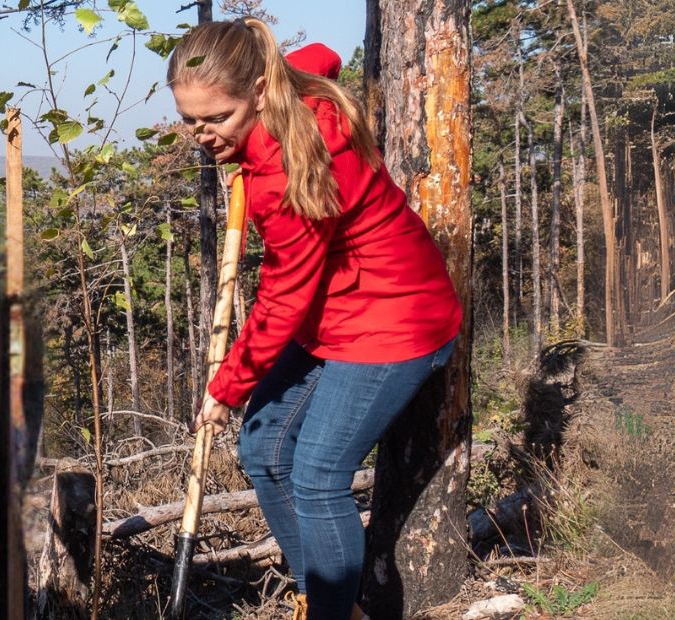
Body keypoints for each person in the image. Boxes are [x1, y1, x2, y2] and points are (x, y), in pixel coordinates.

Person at [168, 17, 463, 620]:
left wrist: (226, 388)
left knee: (319, 474)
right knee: (263, 448)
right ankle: (324, 598)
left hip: (395, 318)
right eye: (189, 119)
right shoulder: (283, 84)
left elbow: (283, 298)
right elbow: (323, 55)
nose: (202, 135)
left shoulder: (286, 174)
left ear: (258, 93)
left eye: (216, 118)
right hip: (334, 315)